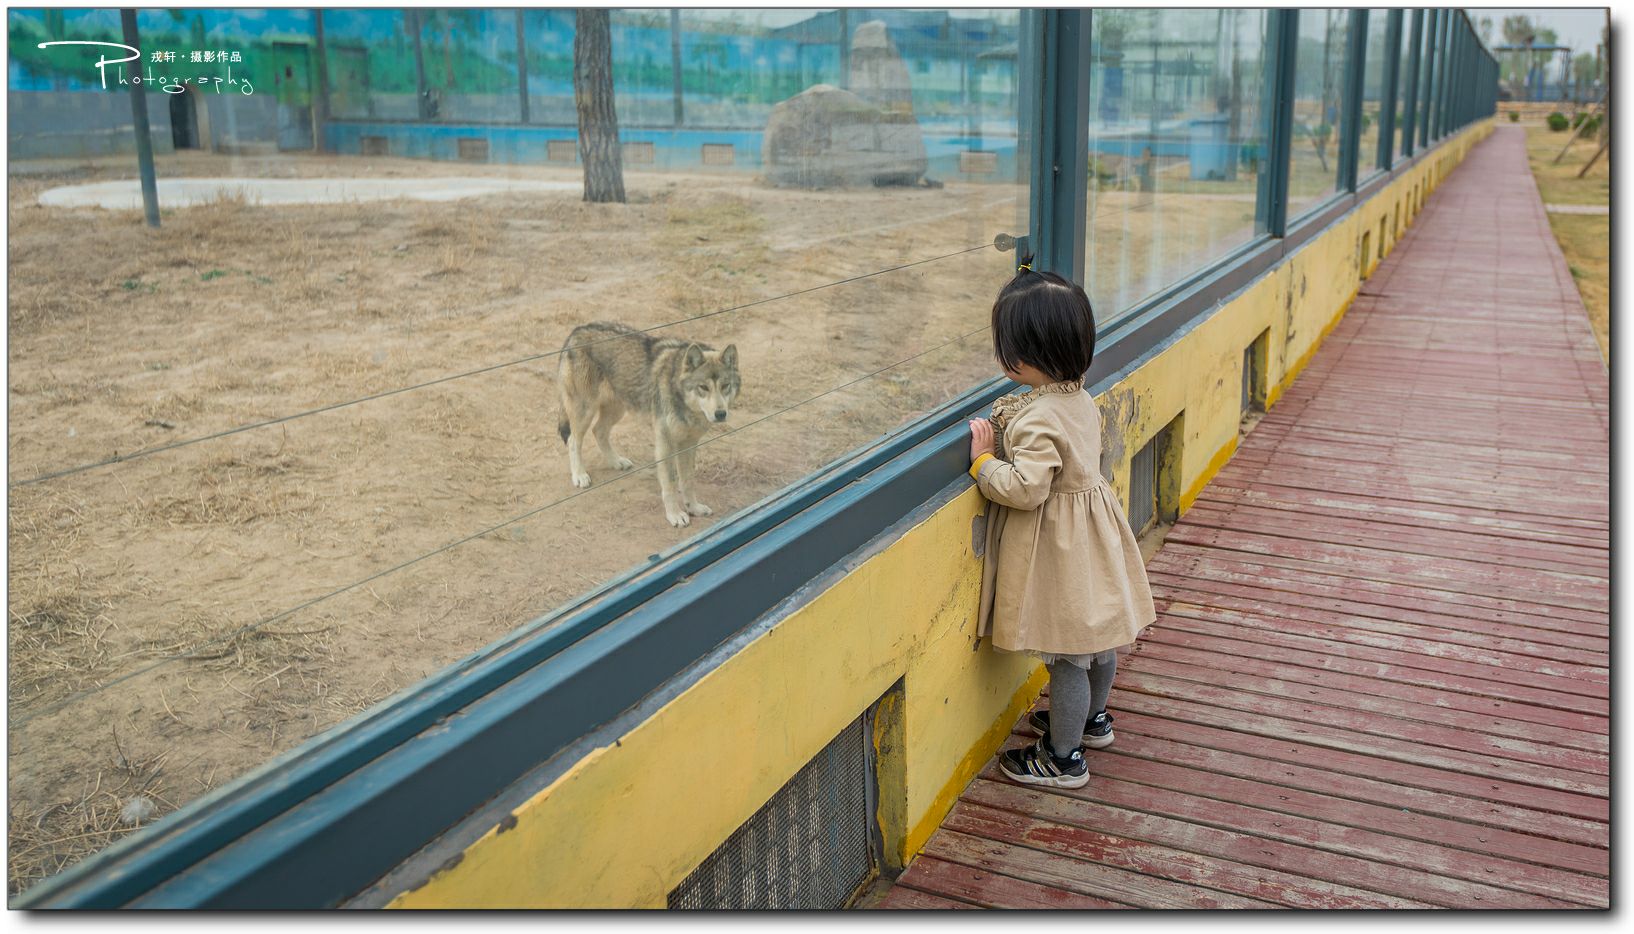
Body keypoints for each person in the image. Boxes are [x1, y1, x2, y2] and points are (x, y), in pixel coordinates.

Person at [967, 266, 1157, 789]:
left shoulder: (1035, 418)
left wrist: (984, 463)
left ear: (1020, 356)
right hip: (1095, 534)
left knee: (1068, 657)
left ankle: (1063, 756)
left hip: (1060, 548)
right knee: (1098, 641)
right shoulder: (1079, 399)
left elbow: (1026, 490)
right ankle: (1092, 721)